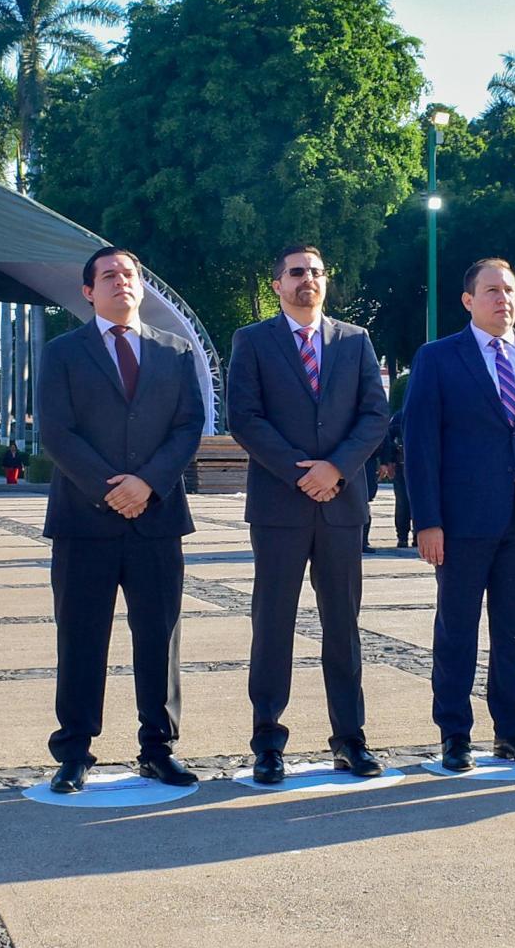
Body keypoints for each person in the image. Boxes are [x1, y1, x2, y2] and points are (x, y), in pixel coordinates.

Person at [36, 246, 206, 793]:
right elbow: (57, 431)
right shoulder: (63, 353)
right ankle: (74, 751)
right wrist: (110, 490)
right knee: (81, 639)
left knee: (159, 637)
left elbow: (188, 426)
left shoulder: (175, 351)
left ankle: (158, 748)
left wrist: (147, 484)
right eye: (109, 275)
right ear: (89, 291)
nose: (121, 281)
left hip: (156, 519)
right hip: (84, 521)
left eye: (130, 273)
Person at [402, 257, 515, 771]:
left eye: (509, 290)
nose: (503, 299)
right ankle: (455, 734)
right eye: (491, 291)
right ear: (468, 300)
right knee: (457, 630)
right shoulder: (438, 358)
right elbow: (420, 444)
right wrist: (427, 520)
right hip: (462, 521)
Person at [226, 244, 390, 783]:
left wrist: (335, 468)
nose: (308, 280)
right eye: (296, 273)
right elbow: (244, 417)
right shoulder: (253, 341)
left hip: (341, 504)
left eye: (316, 272)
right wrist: (301, 472)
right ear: (277, 284)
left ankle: (350, 739)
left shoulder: (355, 340)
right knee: (273, 623)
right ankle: (268, 742)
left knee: (343, 625)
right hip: (280, 505)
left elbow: (374, 415)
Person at [379, 408, 412, 549]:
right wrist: (390, 461)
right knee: (403, 503)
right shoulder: (400, 416)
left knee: (422, 502)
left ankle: (418, 535)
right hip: (402, 465)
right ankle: (402, 537)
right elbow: (388, 439)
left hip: (423, 466)